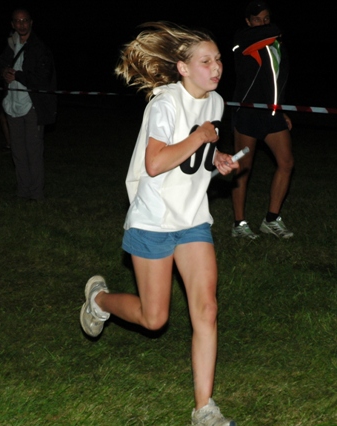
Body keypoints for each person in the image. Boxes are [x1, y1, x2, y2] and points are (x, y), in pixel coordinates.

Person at [79, 22, 238, 426]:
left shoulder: (216, 104)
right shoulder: (164, 103)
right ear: (183, 68)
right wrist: (202, 138)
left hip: (193, 218)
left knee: (207, 308)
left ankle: (205, 409)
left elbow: (198, 155)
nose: (216, 67)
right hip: (153, 220)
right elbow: (155, 163)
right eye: (206, 61)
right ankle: (99, 301)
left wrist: (217, 158)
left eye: (218, 59)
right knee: (155, 319)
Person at [230, 1, 295, 239]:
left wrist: (281, 108)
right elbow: (267, 33)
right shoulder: (244, 39)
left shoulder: (277, 45)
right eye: (257, 18)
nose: (263, 22)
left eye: (266, 17)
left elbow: (276, 81)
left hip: (272, 113)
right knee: (244, 169)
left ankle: (271, 219)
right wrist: (272, 28)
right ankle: (239, 224)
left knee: (286, 163)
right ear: (248, 22)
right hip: (248, 111)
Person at [0, 9, 56, 201]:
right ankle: (23, 191)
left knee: (34, 151)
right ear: (12, 24)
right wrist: (3, 71)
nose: (21, 24)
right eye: (17, 21)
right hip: (12, 105)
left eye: (25, 21)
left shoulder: (39, 48)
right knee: (18, 151)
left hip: (32, 106)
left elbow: (43, 77)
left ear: (31, 22)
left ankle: (36, 194)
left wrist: (18, 75)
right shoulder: (11, 44)